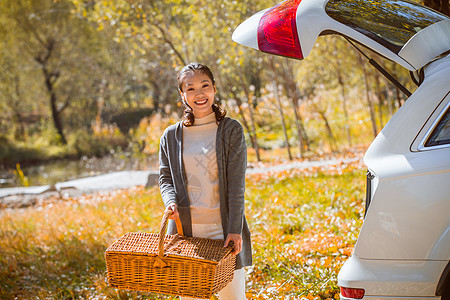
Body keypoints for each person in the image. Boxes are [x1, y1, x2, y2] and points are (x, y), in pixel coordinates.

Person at [158, 63, 252, 300]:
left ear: (214, 88)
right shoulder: (170, 136)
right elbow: (165, 177)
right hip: (185, 235)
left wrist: (234, 229)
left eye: (204, 86)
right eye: (190, 89)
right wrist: (170, 202)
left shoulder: (231, 131)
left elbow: (236, 185)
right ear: (182, 95)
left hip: (223, 234)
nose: (199, 94)